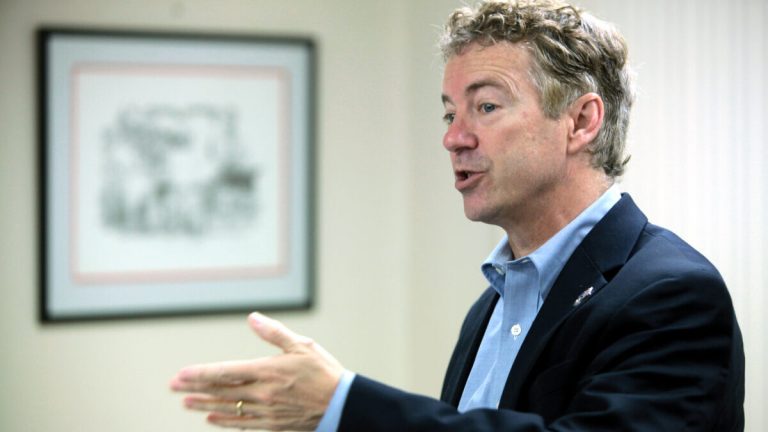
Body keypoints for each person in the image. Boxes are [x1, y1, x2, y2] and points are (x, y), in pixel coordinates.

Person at [170, 0, 745, 430]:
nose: (454, 138)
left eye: (486, 106)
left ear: (581, 122)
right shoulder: (490, 305)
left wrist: (344, 406)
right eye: (450, 114)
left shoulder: (671, 293)